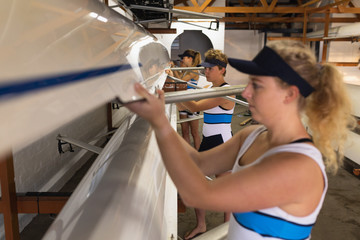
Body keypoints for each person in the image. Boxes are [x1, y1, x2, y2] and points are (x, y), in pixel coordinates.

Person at [125, 40, 355, 240]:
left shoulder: (298, 166)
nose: (245, 93)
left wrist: (159, 123)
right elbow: (198, 162)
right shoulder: (252, 135)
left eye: (257, 85)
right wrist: (161, 122)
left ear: (290, 94)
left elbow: (198, 194)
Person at [176, 49, 235, 239]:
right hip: (210, 140)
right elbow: (192, 103)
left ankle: (228, 229)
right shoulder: (211, 88)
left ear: (221, 69)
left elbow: (195, 106)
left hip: (222, 142)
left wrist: (173, 95)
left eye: (210, 69)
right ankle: (201, 225)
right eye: (205, 68)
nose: (206, 72)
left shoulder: (225, 91)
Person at [169, 49, 202, 150]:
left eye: (183, 58)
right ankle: (188, 155)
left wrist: (171, 74)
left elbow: (181, 82)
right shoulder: (187, 70)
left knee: (194, 132)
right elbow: (179, 79)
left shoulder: (194, 70)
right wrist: (173, 68)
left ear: (189, 58)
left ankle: (199, 156)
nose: (182, 60)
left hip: (192, 103)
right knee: (185, 132)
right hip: (184, 103)